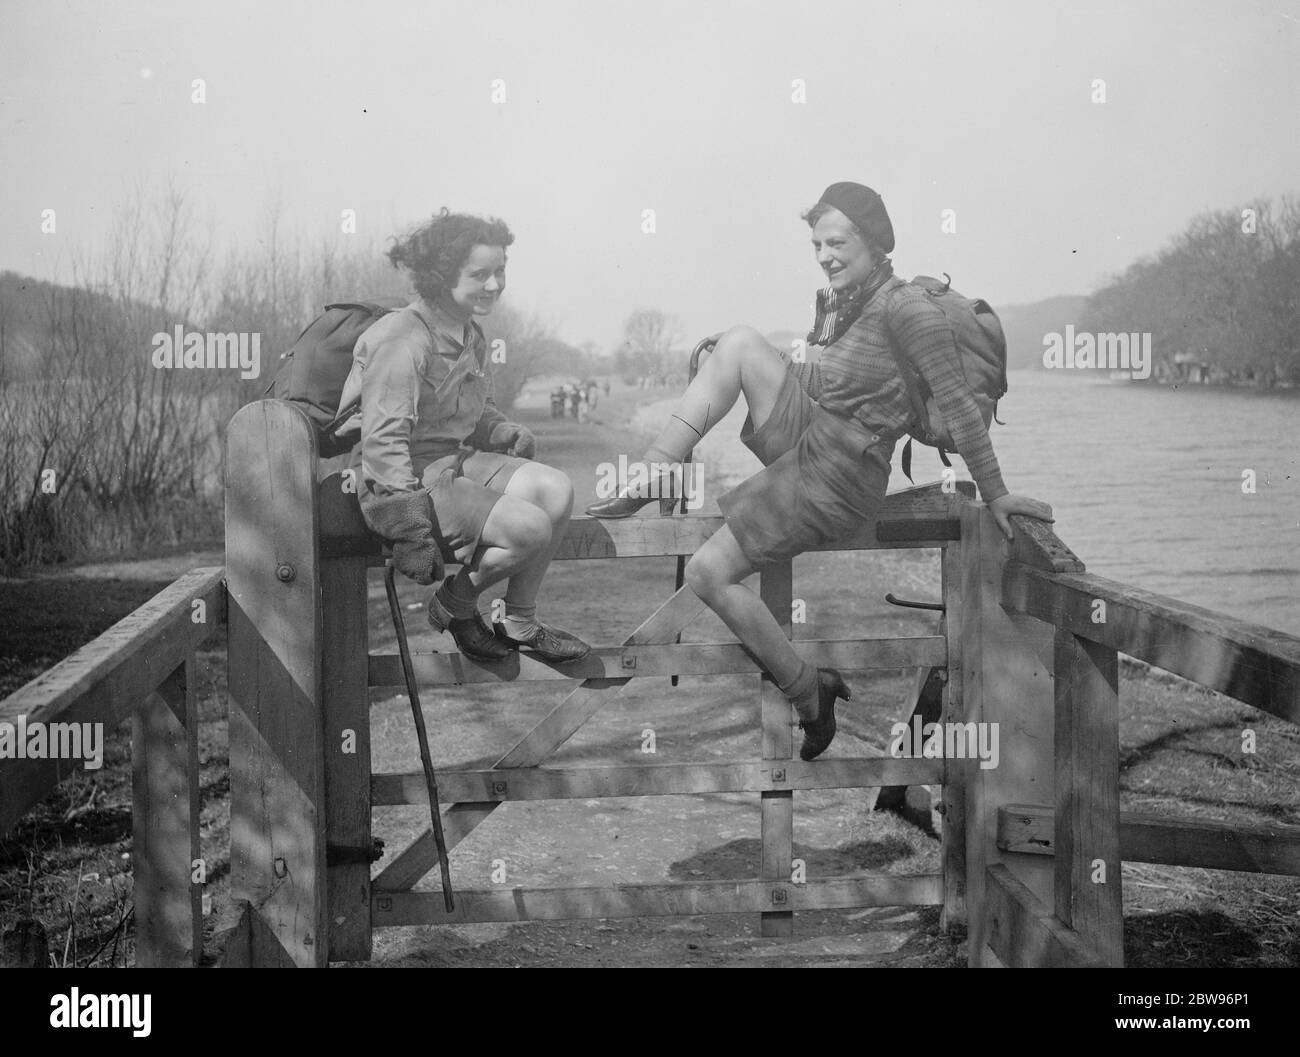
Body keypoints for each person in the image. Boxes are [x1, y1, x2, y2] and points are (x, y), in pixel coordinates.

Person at [587, 182, 1053, 760]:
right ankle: (659, 469)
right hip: (815, 444)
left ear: (875, 241)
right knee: (736, 343)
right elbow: (824, 386)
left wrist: (998, 494)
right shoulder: (851, 306)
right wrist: (752, 363)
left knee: (709, 572)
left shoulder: (906, 311)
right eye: (817, 245)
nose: (826, 256)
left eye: (838, 243)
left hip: (841, 474)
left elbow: (957, 405)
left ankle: (810, 692)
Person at [347, 209, 589, 663]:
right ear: (442, 274)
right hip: (401, 478)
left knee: (555, 489)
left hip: (450, 461)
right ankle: (457, 605)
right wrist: (407, 525)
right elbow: (383, 440)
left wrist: (499, 430)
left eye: (500, 271)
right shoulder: (402, 338)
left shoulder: (470, 335)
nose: (495, 284)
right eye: (480, 274)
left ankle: (518, 619)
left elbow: (475, 412)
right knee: (530, 530)